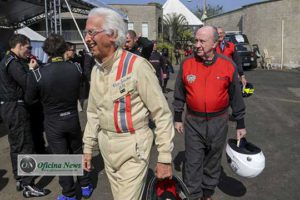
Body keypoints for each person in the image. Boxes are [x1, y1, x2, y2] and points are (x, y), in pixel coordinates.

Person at [83, 7, 174, 200]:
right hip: (107, 147)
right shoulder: (96, 70)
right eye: (86, 32)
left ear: (112, 35)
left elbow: (162, 113)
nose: (87, 38)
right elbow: (92, 112)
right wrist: (88, 148)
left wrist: (164, 157)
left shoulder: (137, 66)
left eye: (91, 32)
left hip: (133, 149)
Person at [173, 26, 247, 200]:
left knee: (213, 161)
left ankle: (207, 193)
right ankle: (193, 195)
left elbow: (236, 97)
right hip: (193, 121)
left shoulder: (228, 65)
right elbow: (179, 93)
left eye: (202, 41)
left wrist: (240, 123)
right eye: (196, 40)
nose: (197, 44)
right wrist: (177, 117)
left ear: (215, 43)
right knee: (192, 162)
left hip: (218, 122)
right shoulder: (187, 64)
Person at [25, 34, 93, 200]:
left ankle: (69, 194)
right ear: (64, 49)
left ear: (46, 52)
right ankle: (85, 185)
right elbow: (82, 86)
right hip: (71, 117)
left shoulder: (38, 74)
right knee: (77, 151)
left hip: (53, 121)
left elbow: (30, 99)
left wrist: (31, 73)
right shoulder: (75, 68)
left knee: (60, 157)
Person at [0, 34, 50, 197]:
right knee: (25, 145)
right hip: (16, 107)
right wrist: (31, 69)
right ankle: (29, 185)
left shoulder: (8, 60)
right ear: (19, 45)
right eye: (28, 47)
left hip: (10, 107)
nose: (30, 51)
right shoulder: (13, 63)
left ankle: (20, 178)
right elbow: (27, 83)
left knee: (16, 145)